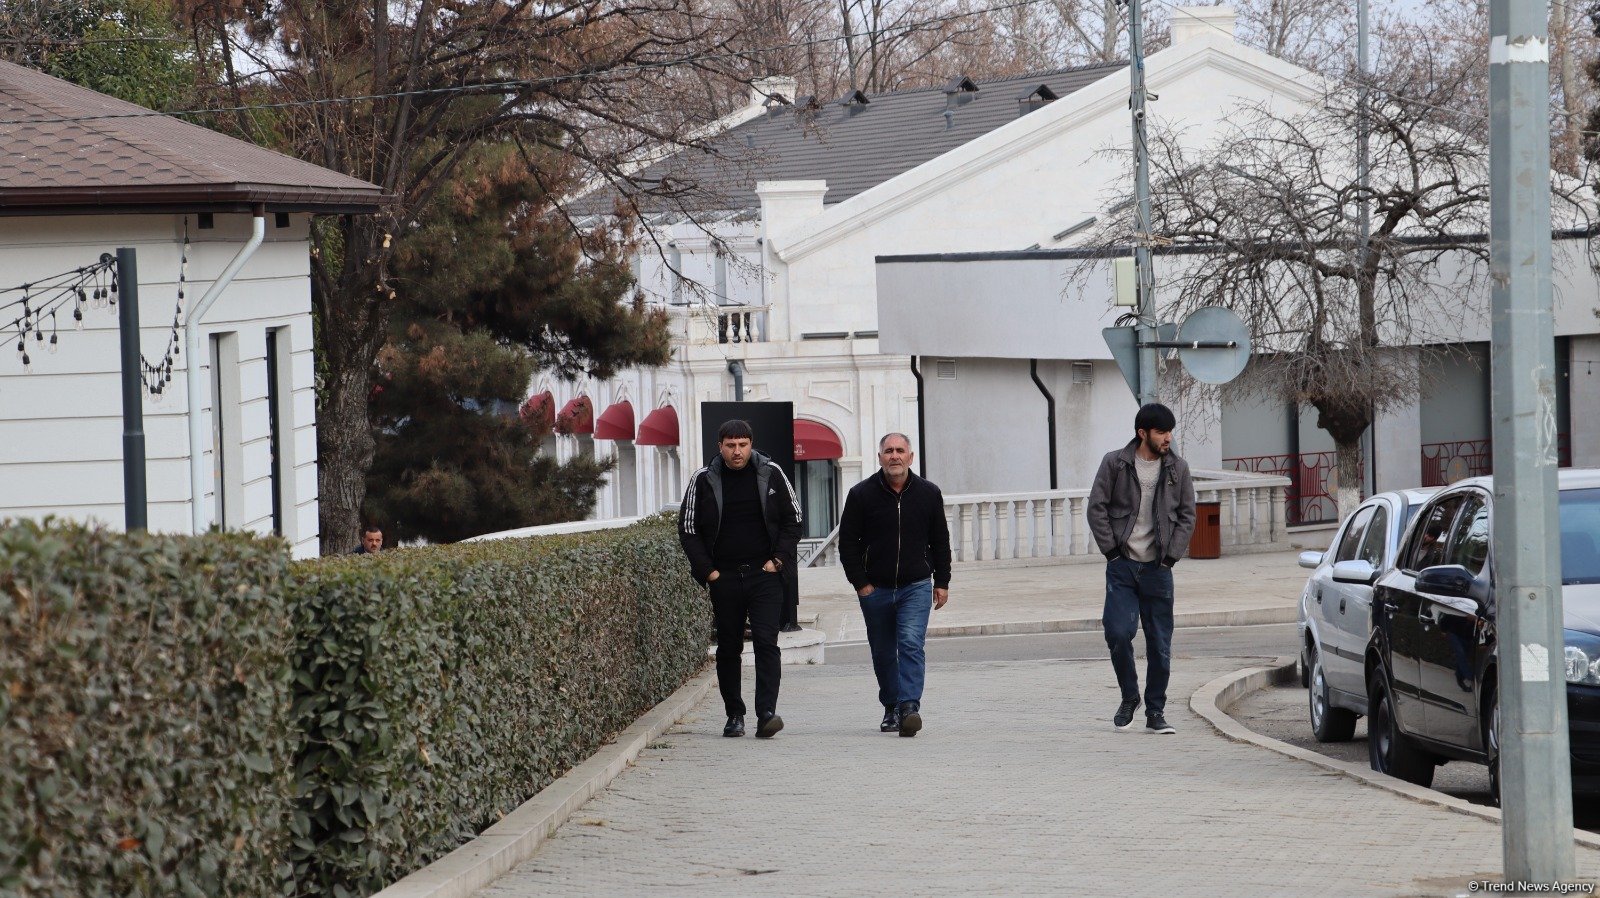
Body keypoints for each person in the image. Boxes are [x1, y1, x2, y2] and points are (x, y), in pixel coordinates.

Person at [678, 419, 802, 739]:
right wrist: (710, 572)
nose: (737, 451)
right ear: (720, 446)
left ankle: (766, 714)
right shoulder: (703, 479)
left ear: (751, 444)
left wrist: (778, 561)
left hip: (765, 575)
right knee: (729, 647)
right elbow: (688, 528)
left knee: (765, 642)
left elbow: (794, 520)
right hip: (725, 578)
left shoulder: (771, 472)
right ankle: (735, 714)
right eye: (730, 445)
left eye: (743, 445)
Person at [1087, 403, 1196, 735]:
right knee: (1118, 633)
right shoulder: (1115, 463)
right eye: (1162, 432)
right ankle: (1129, 696)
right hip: (1122, 567)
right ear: (1142, 433)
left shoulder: (1178, 468)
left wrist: (1171, 558)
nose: (1168, 438)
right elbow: (1096, 508)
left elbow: (1188, 515)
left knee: (1159, 644)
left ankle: (1156, 711)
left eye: (1169, 432)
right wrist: (1112, 553)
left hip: (1158, 569)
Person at [838, 433, 952, 737]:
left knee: (911, 643)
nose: (894, 456)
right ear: (880, 458)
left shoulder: (929, 493)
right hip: (875, 588)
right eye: (888, 451)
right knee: (884, 651)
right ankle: (891, 706)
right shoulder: (861, 495)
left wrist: (942, 581)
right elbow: (847, 544)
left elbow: (940, 540)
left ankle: (909, 707)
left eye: (900, 450)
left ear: (911, 457)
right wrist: (861, 584)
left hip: (916, 585)